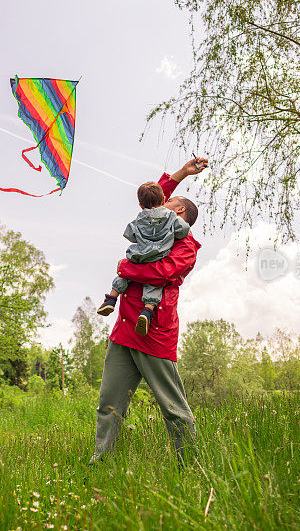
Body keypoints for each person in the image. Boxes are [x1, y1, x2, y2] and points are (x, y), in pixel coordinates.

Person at [91, 157, 207, 466]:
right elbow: (153, 198)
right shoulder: (152, 228)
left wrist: (126, 267)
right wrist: (181, 173)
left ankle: (190, 466)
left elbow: (162, 272)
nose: (161, 205)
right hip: (125, 328)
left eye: (169, 203)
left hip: (155, 332)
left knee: (173, 409)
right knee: (109, 404)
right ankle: (100, 462)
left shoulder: (188, 245)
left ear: (178, 212)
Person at [96, 181, 190, 336]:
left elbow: (129, 234)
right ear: (162, 201)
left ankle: (111, 299)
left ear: (140, 205)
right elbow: (183, 230)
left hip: (138, 255)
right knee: (154, 285)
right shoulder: (172, 217)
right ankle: (146, 312)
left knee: (123, 275)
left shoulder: (139, 218)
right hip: (157, 257)